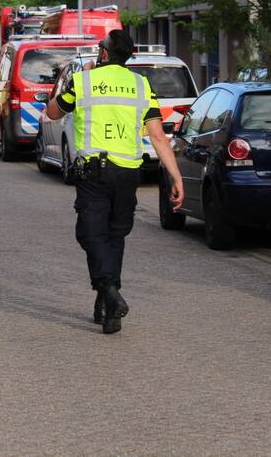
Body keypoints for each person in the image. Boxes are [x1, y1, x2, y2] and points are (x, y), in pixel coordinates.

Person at [43, 29, 184, 335]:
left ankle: (109, 291)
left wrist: (67, 85)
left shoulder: (83, 81)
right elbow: (157, 136)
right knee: (115, 236)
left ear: (104, 53)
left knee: (90, 234)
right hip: (128, 174)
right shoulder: (140, 84)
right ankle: (108, 311)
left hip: (94, 171)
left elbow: (52, 113)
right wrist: (175, 176)